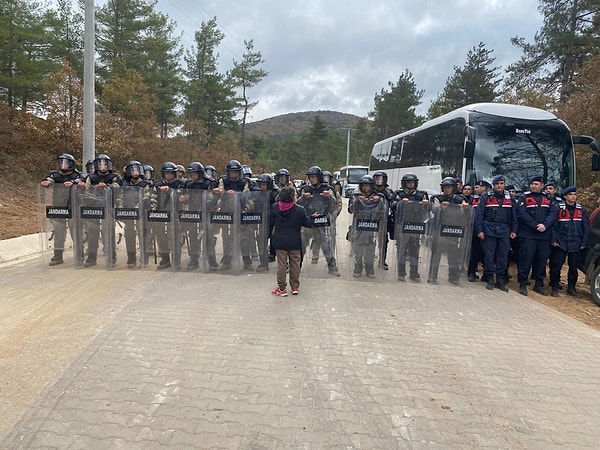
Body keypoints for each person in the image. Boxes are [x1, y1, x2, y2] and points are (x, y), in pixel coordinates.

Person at [474, 175, 518, 292]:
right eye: (497, 183)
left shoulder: (510, 198)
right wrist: (479, 230)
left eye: (502, 183)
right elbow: (479, 215)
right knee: (489, 256)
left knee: (503, 256)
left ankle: (500, 280)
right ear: (493, 185)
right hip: (489, 230)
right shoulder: (486, 196)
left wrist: (514, 230)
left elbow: (514, 216)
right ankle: (489, 278)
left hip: (504, 231)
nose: (500, 186)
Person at [516, 176, 559, 296]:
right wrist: (535, 226)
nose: (534, 186)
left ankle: (538, 284)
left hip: (544, 235)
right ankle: (523, 283)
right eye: (532, 184)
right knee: (526, 259)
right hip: (528, 234)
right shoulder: (524, 197)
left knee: (541, 260)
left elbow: (553, 213)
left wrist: (545, 225)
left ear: (541, 186)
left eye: (536, 184)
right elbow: (522, 214)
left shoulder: (548, 198)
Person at [77, 154, 122, 267]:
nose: (103, 166)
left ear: (109, 165)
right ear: (96, 165)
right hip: (93, 208)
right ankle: (91, 258)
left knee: (108, 232)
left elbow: (117, 186)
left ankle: (111, 258)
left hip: (108, 207)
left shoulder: (114, 177)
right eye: (100, 164)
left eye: (105, 164)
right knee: (92, 233)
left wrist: (106, 186)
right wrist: (82, 187)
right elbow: (85, 189)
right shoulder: (90, 177)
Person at [269, 186, 313, 297]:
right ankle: (294, 287)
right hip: (294, 241)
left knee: (282, 265)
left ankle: (282, 288)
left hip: (280, 241)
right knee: (295, 264)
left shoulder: (275, 208)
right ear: (293, 197)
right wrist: (313, 217)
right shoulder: (299, 210)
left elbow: (270, 222)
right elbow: (307, 223)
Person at [40, 153, 83, 266]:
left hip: (73, 206)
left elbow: (81, 181)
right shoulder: (55, 174)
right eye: (61, 162)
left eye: (66, 163)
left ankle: (79, 254)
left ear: (71, 164)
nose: (63, 165)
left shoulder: (77, 175)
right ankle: (58, 255)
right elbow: (50, 180)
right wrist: (47, 182)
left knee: (75, 230)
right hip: (59, 206)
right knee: (59, 230)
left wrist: (73, 182)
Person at [297, 165, 340, 276]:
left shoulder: (328, 189)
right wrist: (303, 198)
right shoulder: (305, 189)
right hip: (307, 222)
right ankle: (296, 266)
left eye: (314, 177)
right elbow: (297, 205)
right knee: (301, 245)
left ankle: (332, 267)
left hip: (322, 222)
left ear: (319, 177)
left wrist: (329, 196)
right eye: (310, 177)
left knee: (326, 246)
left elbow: (333, 206)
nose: (311, 179)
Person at [549, 186, 589, 297]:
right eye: (571, 194)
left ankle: (571, 288)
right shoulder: (558, 208)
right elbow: (553, 226)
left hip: (575, 242)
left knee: (573, 267)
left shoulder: (582, 210)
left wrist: (584, 243)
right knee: (556, 265)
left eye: (575, 194)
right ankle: (554, 286)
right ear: (565, 196)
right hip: (560, 241)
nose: (573, 196)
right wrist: (553, 240)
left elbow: (586, 227)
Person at [428, 177, 470, 285]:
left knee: (453, 254)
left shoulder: (460, 198)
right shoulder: (436, 197)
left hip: (453, 230)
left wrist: (465, 208)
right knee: (436, 253)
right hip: (439, 229)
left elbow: (465, 212)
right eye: (445, 187)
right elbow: (433, 210)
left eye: (449, 187)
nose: (447, 189)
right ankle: (432, 275)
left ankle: (453, 277)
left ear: (454, 188)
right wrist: (441, 208)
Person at [213, 159, 252, 271]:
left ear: (239, 172)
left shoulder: (244, 181)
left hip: (241, 212)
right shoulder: (223, 180)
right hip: (226, 212)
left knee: (243, 238)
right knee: (227, 237)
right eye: (231, 172)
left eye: (235, 172)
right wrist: (223, 193)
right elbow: (220, 192)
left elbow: (247, 195)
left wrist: (237, 194)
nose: (233, 174)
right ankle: (227, 261)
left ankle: (246, 261)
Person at [180, 162, 216, 270]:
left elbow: (212, 197)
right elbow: (186, 194)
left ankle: (212, 262)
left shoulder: (210, 183)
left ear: (200, 173)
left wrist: (208, 202)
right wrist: (183, 197)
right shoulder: (189, 184)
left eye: (195, 174)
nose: (193, 176)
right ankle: (194, 260)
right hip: (193, 213)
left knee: (208, 237)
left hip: (206, 213)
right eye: (191, 174)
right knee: (193, 237)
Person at [394, 172, 429, 282]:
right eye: (408, 183)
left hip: (416, 225)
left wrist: (426, 204)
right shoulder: (399, 193)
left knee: (414, 250)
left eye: (412, 183)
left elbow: (428, 209)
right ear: (404, 184)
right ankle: (401, 272)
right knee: (402, 250)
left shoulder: (421, 194)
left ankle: (414, 273)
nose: (410, 185)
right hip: (402, 225)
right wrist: (400, 202)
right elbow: (392, 205)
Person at [348, 175, 385, 278]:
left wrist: (378, 201)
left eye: (367, 186)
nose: (365, 188)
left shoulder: (377, 197)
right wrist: (358, 201)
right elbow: (350, 210)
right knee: (358, 249)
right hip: (359, 227)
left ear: (371, 186)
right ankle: (358, 267)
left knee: (370, 249)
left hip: (371, 227)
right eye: (363, 186)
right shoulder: (355, 196)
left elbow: (383, 212)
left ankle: (369, 268)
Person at [117, 160, 151, 268]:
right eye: (132, 170)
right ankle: (131, 257)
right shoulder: (124, 184)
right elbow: (120, 197)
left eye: (136, 169)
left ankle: (144, 257)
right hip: (128, 213)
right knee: (129, 234)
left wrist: (139, 205)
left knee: (143, 234)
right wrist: (121, 209)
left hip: (141, 213)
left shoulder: (145, 184)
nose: (134, 172)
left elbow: (147, 197)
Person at [149, 162, 183, 270]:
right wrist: (153, 207)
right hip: (160, 214)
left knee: (174, 236)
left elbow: (180, 196)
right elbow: (153, 197)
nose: (169, 175)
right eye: (166, 173)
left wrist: (169, 191)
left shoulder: (179, 184)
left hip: (174, 214)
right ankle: (165, 259)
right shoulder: (158, 184)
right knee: (160, 236)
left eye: (170, 173)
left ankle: (176, 260)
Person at [467, 180, 490, 282]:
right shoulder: (472, 199)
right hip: (474, 230)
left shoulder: (490, 198)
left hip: (487, 230)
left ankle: (486, 274)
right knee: (474, 252)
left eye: (478, 187)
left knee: (487, 253)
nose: (475, 189)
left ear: (485, 188)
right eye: (475, 187)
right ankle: (471, 272)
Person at [372, 170, 396, 270]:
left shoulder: (389, 191)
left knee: (383, 241)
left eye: (381, 179)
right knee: (368, 239)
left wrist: (393, 205)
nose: (379, 181)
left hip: (384, 219)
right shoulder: (370, 189)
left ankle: (382, 261)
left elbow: (394, 202)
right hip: (370, 218)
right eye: (377, 179)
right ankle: (367, 259)